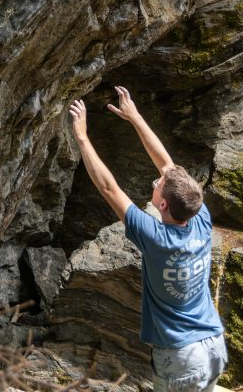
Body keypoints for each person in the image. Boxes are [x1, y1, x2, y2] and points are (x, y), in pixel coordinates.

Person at [69, 88, 227, 392]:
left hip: (182, 357)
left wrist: (82, 138)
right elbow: (168, 165)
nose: (157, 179)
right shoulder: (200, 217)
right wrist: (134, 116)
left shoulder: (155, 237)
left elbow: (109, 189)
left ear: (163, 204)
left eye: (159, 185)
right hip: (213, 346)